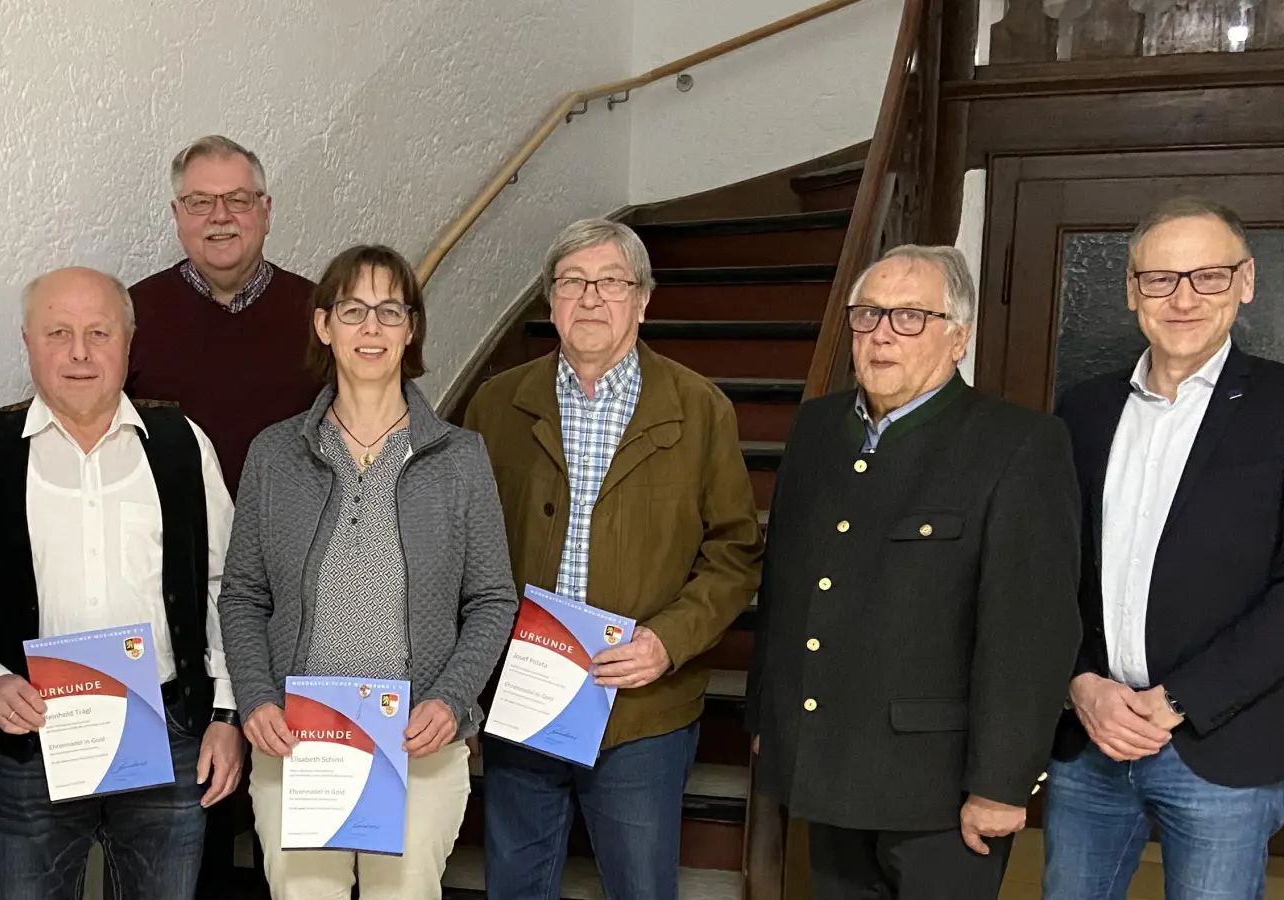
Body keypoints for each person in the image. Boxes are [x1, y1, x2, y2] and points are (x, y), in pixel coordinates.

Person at [747, 244, 1082, 900]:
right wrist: (767, 715)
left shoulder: (1017, 444)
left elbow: (1029, 635)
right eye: (868, 315)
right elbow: (785, 585)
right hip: (828, 760)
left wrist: (1000, 784)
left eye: (909, 318)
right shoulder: (818, 428)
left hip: (940, 788)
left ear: (959, 337)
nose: (881, 336)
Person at [463, 218, 764, 900]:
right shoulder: (497, 403)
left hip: (641, 706)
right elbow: (465, 545)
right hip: (526, 697)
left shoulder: (700, 409)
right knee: (515, 884)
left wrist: (668, 641)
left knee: (640, 887)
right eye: (572, 282)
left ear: (644, 299)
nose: (591, 298)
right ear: (550, 302)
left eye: (611, 282)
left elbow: (735, 552)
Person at [0, 267, 242, 900]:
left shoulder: (183, 445)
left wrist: (227, 713)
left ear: (129, 344)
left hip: (171, 735)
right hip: (29, 741)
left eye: (98, 332)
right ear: (27, 342)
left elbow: (226, 587)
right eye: (58, 332)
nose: (79, 351)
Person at [219, 244, 518, 900]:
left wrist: (451, 700)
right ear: (325, 327)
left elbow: (494, 599)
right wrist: (256, 698)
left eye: (390, 310)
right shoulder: (276, 453)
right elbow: (241, 593)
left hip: (418, 745)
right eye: (353, 310)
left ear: (411, 329)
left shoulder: (459, 457)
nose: (372, 328)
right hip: (299, 744)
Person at [1044, 197, 1284, 900]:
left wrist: (1178, 700)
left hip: (1221, 749)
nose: (1183, 299)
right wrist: (1080, 681)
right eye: (1160, 279)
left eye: (1207, 277)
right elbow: (1049, 568)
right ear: (1130, 291)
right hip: (1089, 740)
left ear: (1246, 282)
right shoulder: (1082, 411)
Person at [126, 134, 322, 501]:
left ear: (266, 212)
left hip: (293, 541)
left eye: (238, 200)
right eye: (200, 202)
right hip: (174, 544)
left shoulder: (321, 313)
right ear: (177, 216)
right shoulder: (130, 315)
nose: (220, 216)